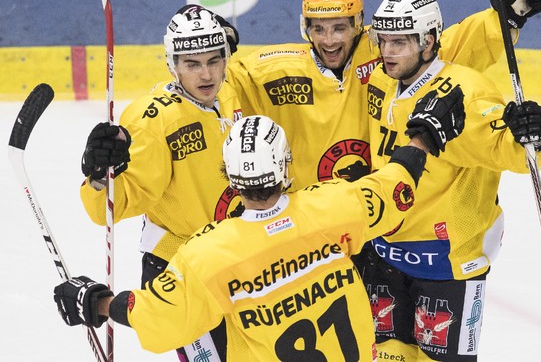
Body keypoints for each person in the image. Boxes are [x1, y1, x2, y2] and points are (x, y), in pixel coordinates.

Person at [54, 91, 466, 361]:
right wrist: (423, 138)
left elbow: (156, 318)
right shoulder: (335, 205)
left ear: (230, 180)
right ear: (286, 168)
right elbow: (394, 188)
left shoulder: (208, 254)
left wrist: (97, 303)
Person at [357, 0, 541, 361]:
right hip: (384, 253)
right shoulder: (382, 80)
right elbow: (465, 38)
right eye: (383, 40)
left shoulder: (466, 91)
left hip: (446, 263)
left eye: (399, 42)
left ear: (428, 41)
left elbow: (511, 149)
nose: (387, 51)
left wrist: (533, 136)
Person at [226, 0, 538, 191]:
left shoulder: (383, 48)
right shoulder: (278, 69)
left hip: (380, 209)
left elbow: (448, 46)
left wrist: (505, 17)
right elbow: (224, 82)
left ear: (357, 24)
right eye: (318, 29)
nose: (329, 40)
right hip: (314, 213)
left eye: (339, 28)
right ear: (305, 28)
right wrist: (210, 48)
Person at [79, 4, 242, 361]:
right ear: (172, 64)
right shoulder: (153, 120)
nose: (206, 74)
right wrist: (97, 175)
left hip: (237, 259)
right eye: (192, 64)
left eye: (214, 60)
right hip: (179, 269)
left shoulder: (232, 92)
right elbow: (117, 203)